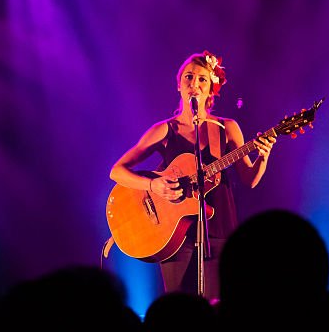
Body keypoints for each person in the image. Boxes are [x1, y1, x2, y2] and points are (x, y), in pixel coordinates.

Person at [109, 50, 276, 299]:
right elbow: (117, 171)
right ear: (178, 85)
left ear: (211, 89)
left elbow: (249, 179)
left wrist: (263, 155)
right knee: (177, 306)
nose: (194, 85)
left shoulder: (227, 128)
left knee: (215, 304)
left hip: (218, 228)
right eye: (188, 77)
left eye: (202, 79)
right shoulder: (165, 130)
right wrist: (154, 186)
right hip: (174, 232)